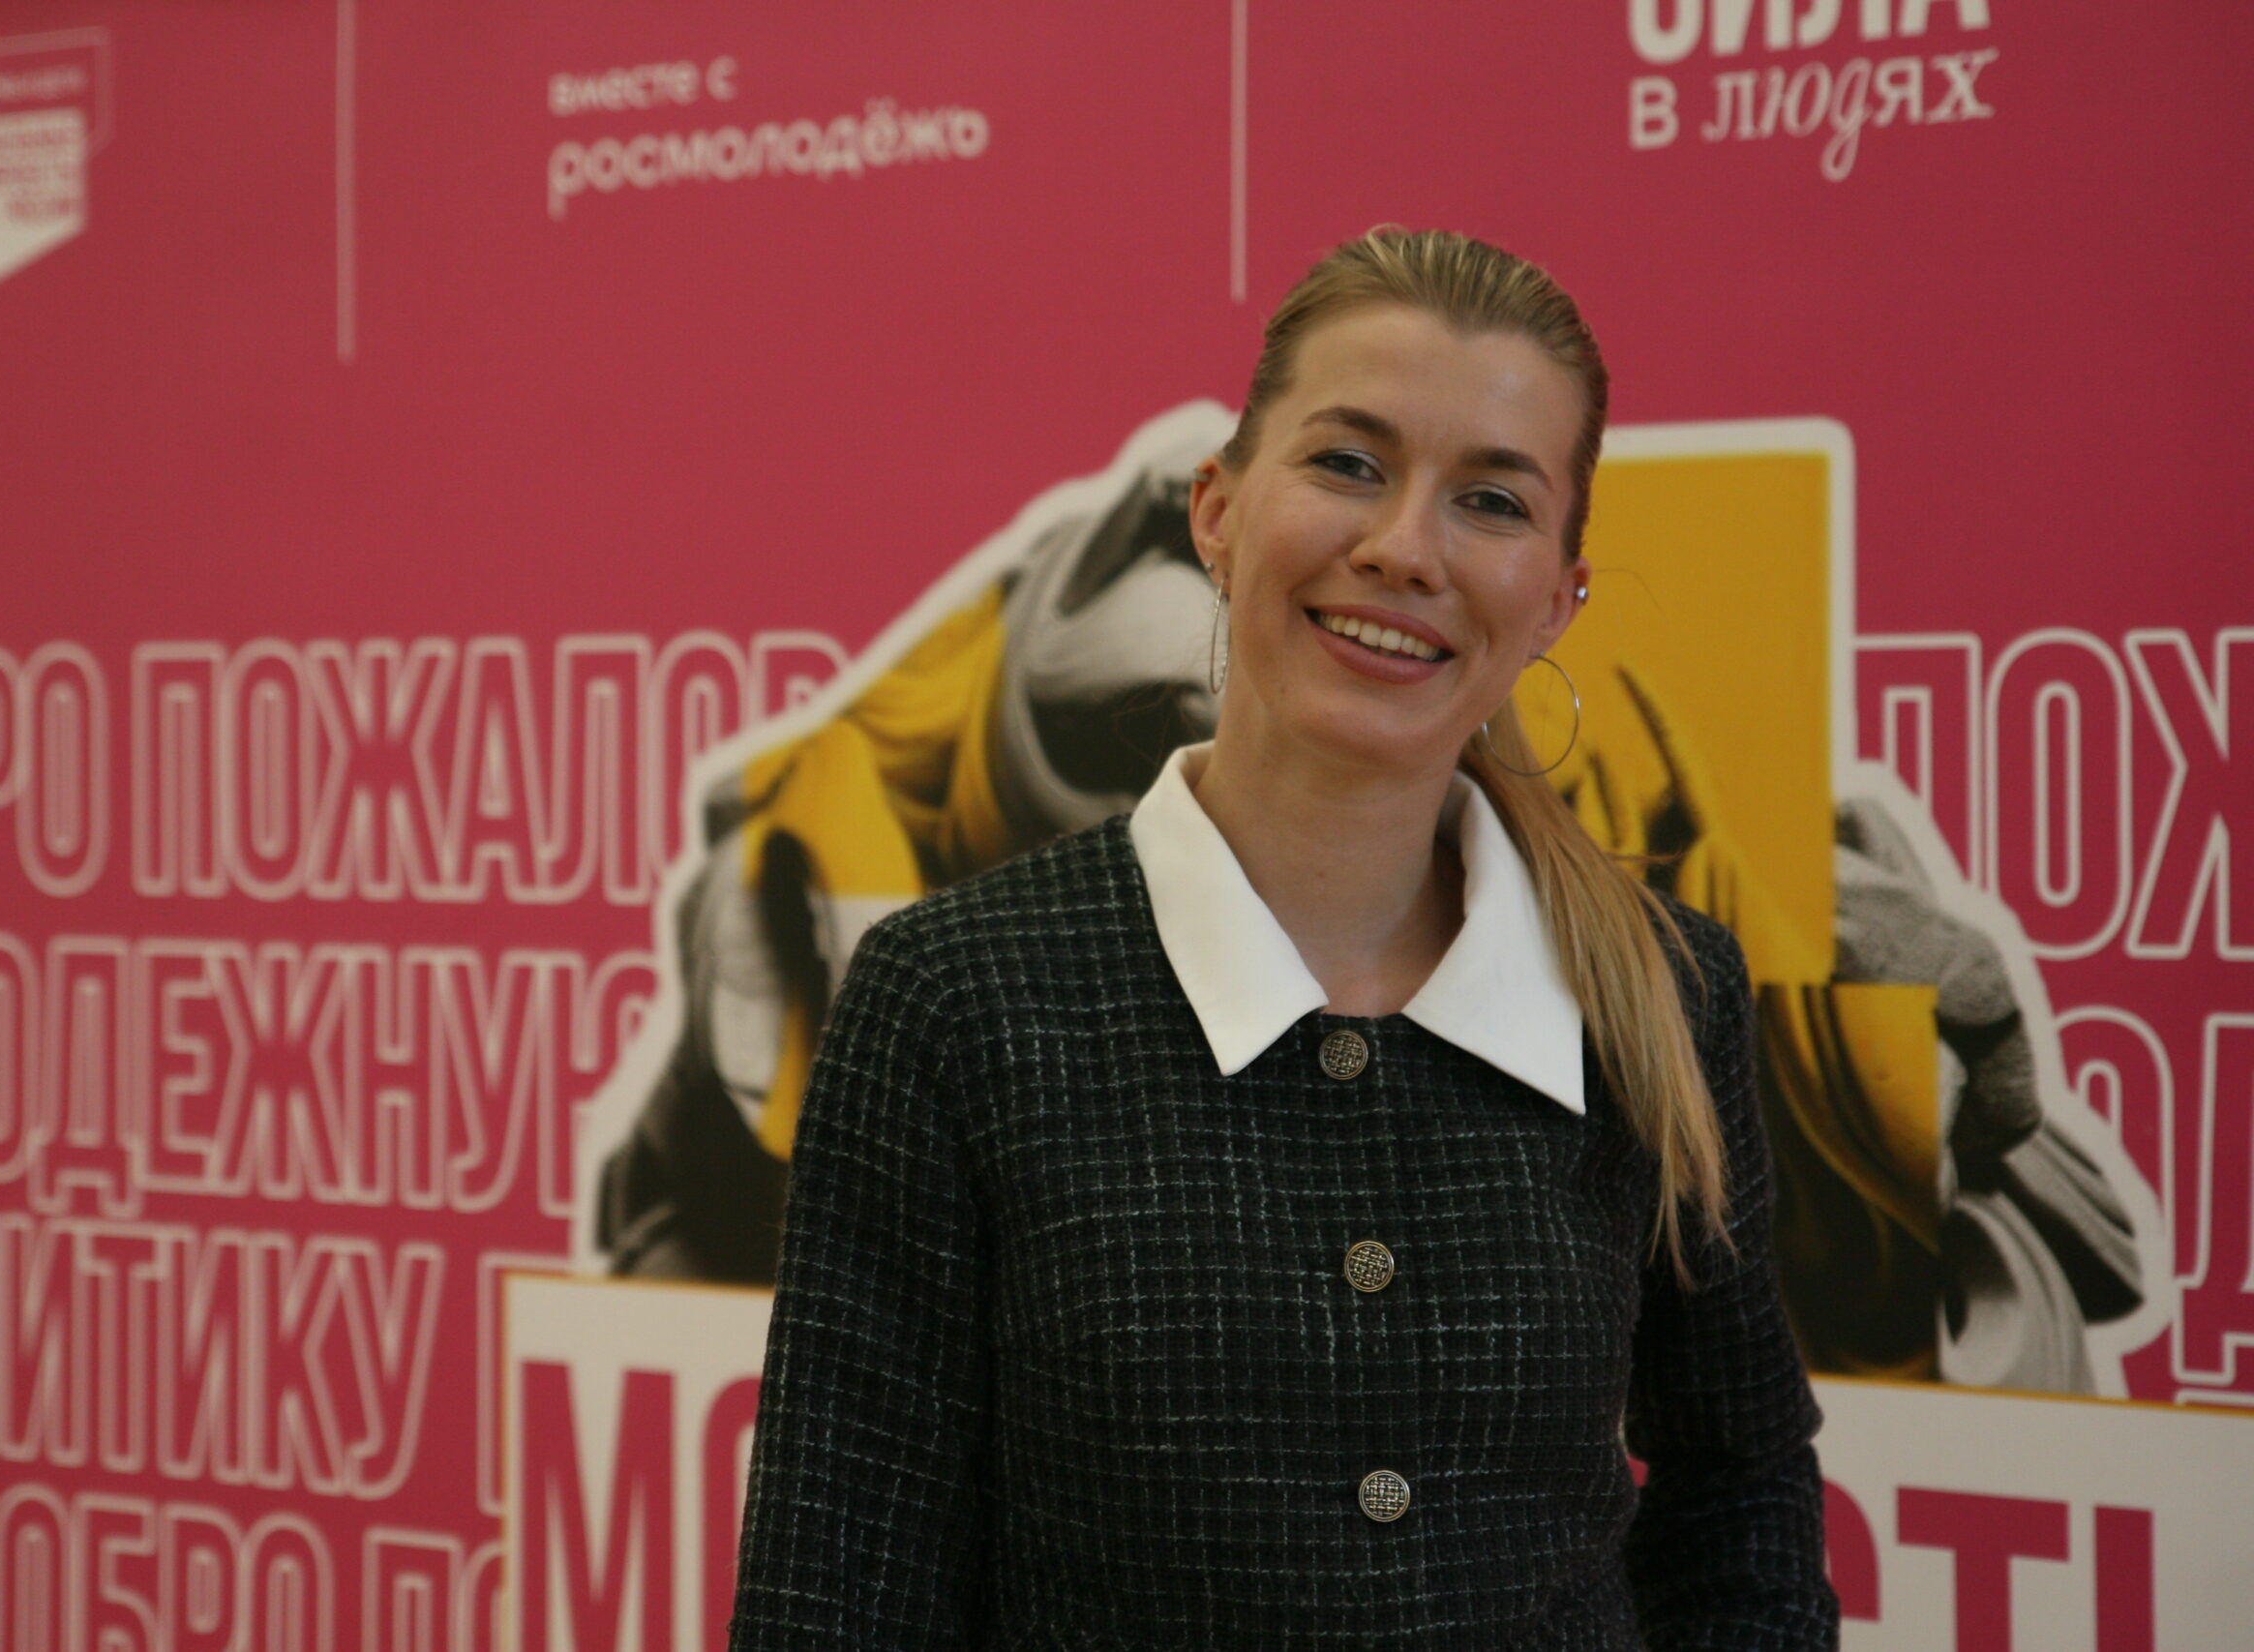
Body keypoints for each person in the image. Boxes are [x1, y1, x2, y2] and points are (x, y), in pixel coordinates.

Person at [724, 226, 1840, 1649]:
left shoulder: (1665, 994)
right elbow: (837, 1588)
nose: (1404, 549)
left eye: (1492, 500)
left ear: (1559, 599)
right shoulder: (955, 1000)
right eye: (1349, 463)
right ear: (1218, 510)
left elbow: (1741, 1495)